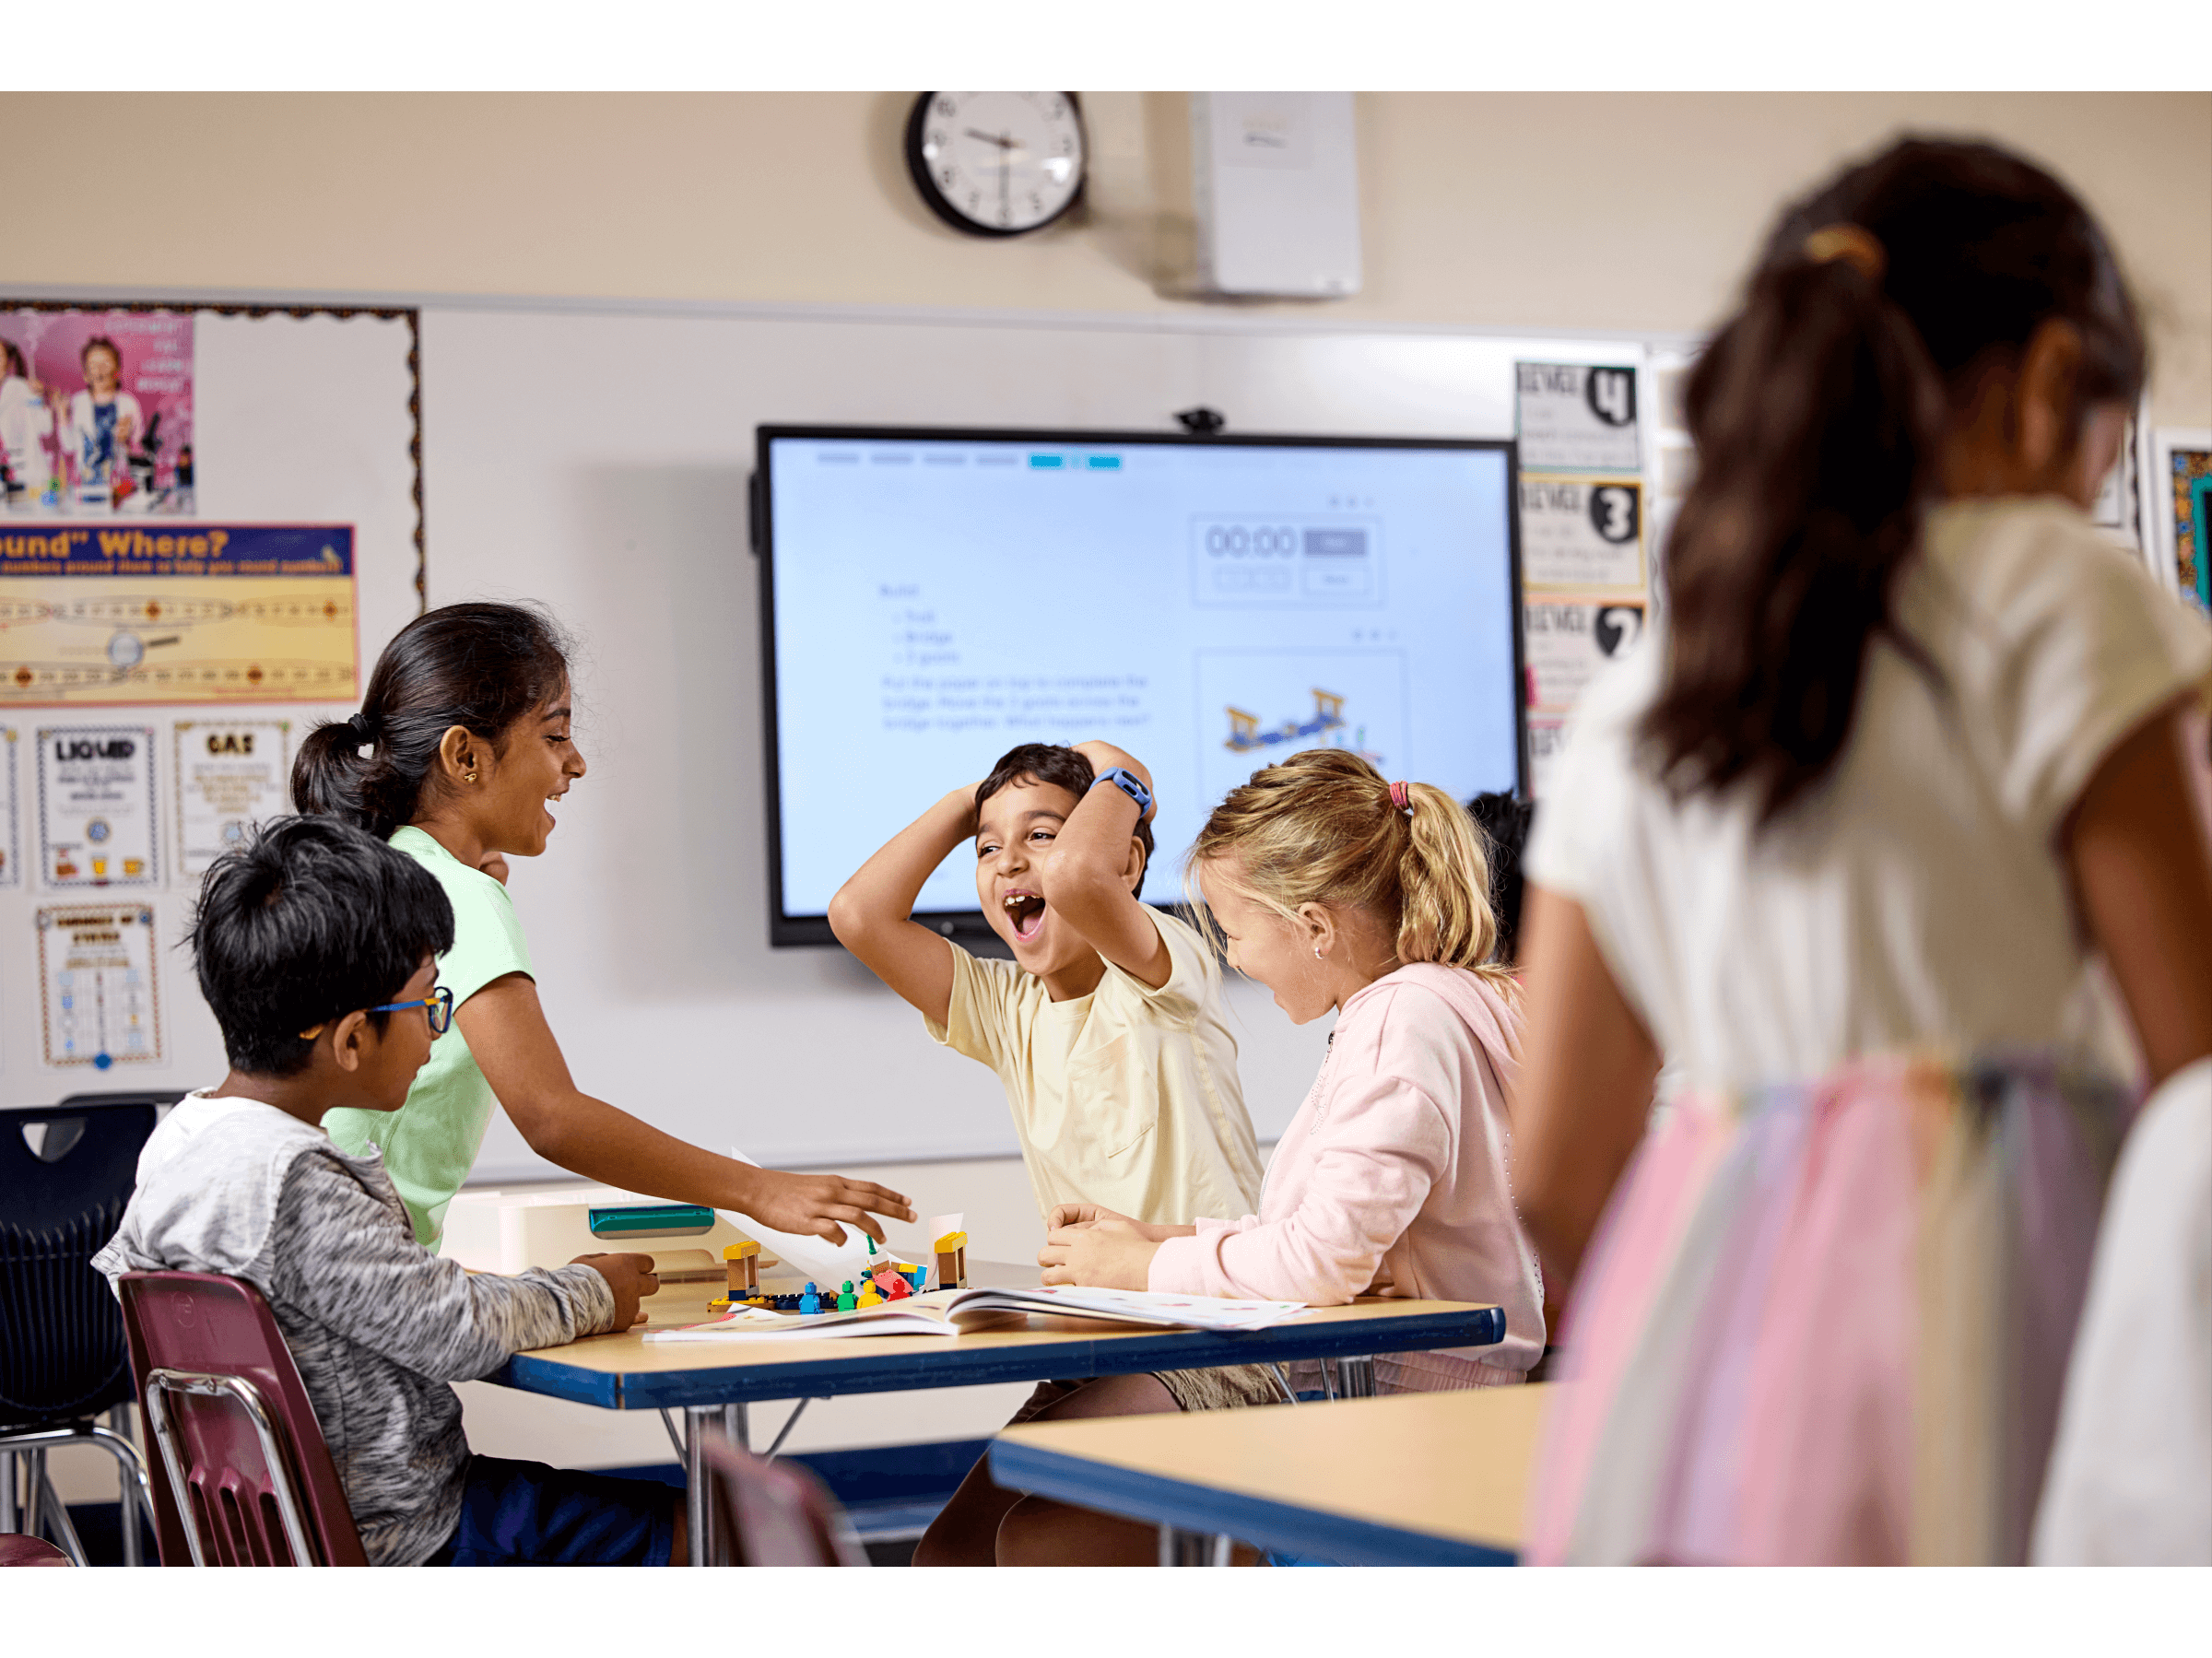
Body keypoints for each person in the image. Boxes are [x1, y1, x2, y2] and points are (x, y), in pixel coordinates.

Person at [1510, 138, 2212, 1564]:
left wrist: (1746, 1300)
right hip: (2034, 1300)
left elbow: (1552, 1173)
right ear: (2045, 382)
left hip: (1708, 1352)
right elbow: (2200, 1072)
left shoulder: (1649, 687)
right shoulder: (2058, 589)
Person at [979, 751, 1544, 1565]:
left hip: (1405, 1412)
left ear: (1314, 927)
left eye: (1237, 932)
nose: (1235, 958)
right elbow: (1325, 1236)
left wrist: (1145, 1270)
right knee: (1039, 1512)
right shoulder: (1408, 1008)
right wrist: (1153, 1237)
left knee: (1045, 1529)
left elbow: (1319, 1260)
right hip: (1390, 1389)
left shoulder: (1399, 1026)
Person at [93, 817, 682, 1566]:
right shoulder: (289, 1177)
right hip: (398, 1539)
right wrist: (593, 1288)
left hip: (278, 1535)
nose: (437, 1036)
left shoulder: (183, 1142)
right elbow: (457, 1330)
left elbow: (383, 1296)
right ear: (348, 1041)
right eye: (428, 1007)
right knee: (710, 1528)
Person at [295, 602, 913, 1252]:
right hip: (366, 1272)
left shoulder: (388, 865)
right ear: (465, 756)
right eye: (555, 735)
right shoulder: (460, 896)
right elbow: (550, 1115)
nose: (577, 762)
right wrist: (759, 1190)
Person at [830, 737, 1265, 1567]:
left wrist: (1124, 771)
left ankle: (1256, 1554)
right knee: (947, 1558)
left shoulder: (1166, 972)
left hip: (1218, 1348)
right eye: (988, 848)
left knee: (1042, 1542)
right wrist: (977, 798)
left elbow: (1079, 881)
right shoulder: (1006, 1007)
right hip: (1097, 1355)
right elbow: (859, 914)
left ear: (1126, 860)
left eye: (1043, 834)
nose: (1011, 863)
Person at [65, 335, 143, 487]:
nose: (99, 370)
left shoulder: (129, 404)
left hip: (119, 485)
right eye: (93, 364)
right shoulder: (77, 402)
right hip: (84, 483)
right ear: (85, 374)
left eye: (106, 363)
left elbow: (138, 446)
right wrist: (61, 416)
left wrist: (127, 439)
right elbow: (69, 446)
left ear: (118, 370)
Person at [0, 338, 53, 500]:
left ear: (9, 362)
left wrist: (39, 399)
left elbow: (45, 427)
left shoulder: (22, 388)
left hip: (27, 476)